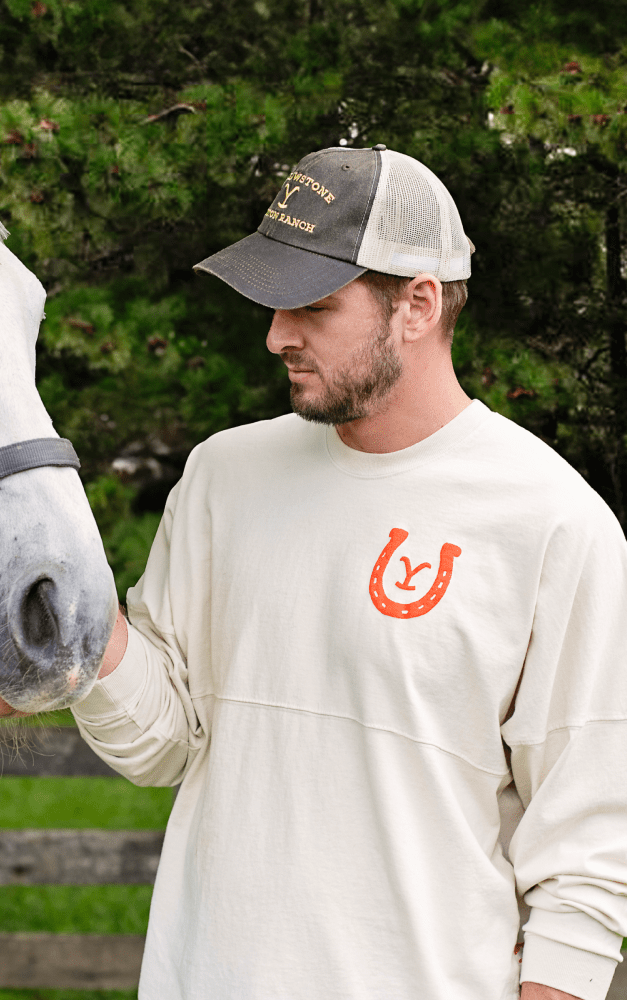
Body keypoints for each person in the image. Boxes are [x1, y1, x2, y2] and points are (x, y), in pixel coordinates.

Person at [70, 144, 627, 1000]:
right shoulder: (224, 478)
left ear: (418, 304)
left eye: (313, 307)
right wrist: (78, 628)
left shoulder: (554, 523)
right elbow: (164, 742)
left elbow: (588, 850)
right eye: (273, 303)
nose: (275, 335)